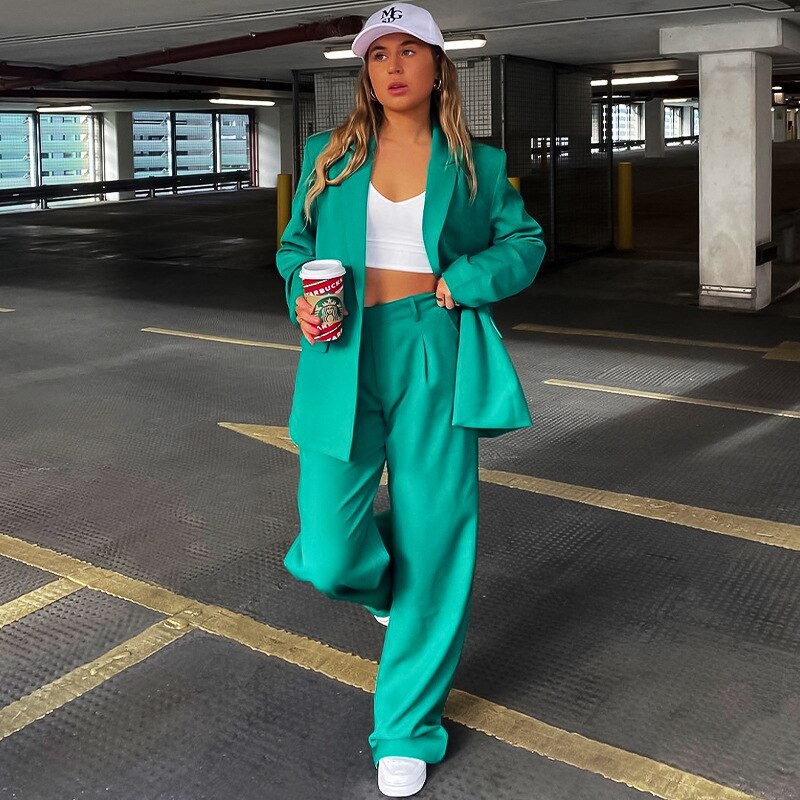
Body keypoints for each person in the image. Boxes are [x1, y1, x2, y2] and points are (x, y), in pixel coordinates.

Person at [276, 4, 546, 796]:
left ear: (437, 67)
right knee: (330, 551)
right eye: (377, 54)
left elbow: (524, 241)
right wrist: (300, 295)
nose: (392, 66)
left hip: (433, 344)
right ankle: (381, 582)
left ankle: (406, 728)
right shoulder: (329, 154)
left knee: (437, 535)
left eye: (408, 51)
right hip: (340, 350)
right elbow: (295, 247)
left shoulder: (476, 165)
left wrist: (468, 279)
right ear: (365, 72)